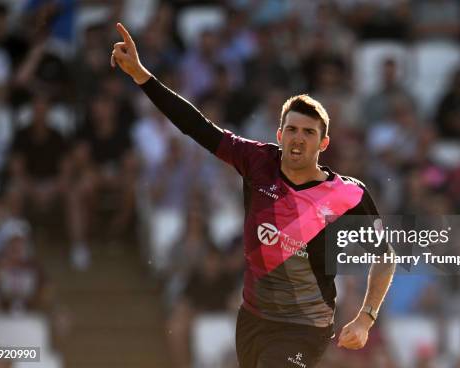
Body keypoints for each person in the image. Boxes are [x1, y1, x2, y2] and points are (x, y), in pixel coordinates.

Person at [111, 22, 395, 367]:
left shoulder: (348, 194)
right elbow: (197, 126)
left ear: (323, 144)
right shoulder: (256, 160)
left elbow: (385, 256)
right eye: (291, 129)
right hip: (252, 320)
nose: (298, 138)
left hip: (306, 327)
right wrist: (142, 76)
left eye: (308, 132)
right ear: (279, 134)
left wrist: (366, 317)